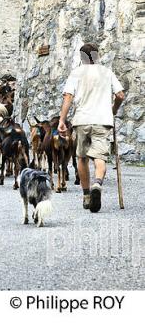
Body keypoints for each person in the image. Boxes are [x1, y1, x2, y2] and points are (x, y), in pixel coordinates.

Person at [58, 43, 124, 213]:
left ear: (82, 57)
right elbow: (120, 95)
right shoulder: (106, 72)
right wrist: (114, 109)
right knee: (99, 157)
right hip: (102, 120)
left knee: (82, 158)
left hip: (82, 120)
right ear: (97, 56)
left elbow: (68, 97)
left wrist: (62, 120)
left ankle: (87, 195)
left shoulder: (76, 73)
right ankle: (97, 183)